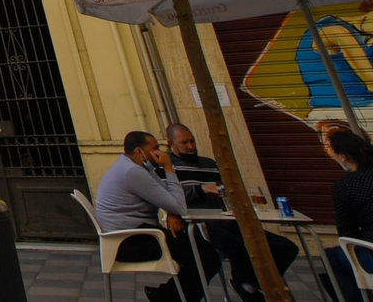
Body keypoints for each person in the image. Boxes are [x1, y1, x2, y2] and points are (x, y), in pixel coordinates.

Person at [166, 123, 297, 299]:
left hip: (226, 218)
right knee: (233, 244)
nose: (191, 147)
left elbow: (225, 188)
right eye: (184, 143)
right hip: (198, 223)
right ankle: (244, 282)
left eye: (192, 141)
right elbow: (169, 196)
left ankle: (249, 281)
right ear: (171, 143)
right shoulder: (167, 166)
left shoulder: (209, 164)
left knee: (285, 246)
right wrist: (201, 188)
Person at [95, 130, 219, 302]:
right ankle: (168, 297)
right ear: (140, 151)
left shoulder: (137, 166)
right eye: (156, 148)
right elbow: (179, 205)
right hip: (129, 242)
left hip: (138, 234)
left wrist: (171, 211)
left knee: (201, 251)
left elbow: (167, 196)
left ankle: (166, 295)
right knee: (205, 255)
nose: (161, 153)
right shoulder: (132, 172)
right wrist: (169, 168)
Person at [325, 127, 373, 299]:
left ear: (343, 156)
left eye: (330, 149)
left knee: (332, 257)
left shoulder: (346, 185)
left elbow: (347, 230)